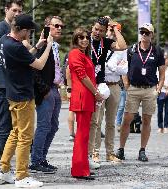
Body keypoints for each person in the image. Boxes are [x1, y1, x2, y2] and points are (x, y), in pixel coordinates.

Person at [0, 14, 52, 187]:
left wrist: (37, 46)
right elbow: (39, 64)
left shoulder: (6, 41)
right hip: (23, 96)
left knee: (16, 133)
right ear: (22, 30)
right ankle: (21, 176)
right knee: (25, 137)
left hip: (13, 94)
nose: (30, 34)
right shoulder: (17, 46)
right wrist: (48, 46)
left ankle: (3, 170)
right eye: (29, 31)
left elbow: (23, 58)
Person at [116, 23, 165, 162]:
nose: (144, 34)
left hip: (150, 89)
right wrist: (126, 84)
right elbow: (123, 66)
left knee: (147, 120)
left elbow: (162, 73)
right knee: (127, 120)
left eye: (147, 32)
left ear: (152, 35)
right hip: (133, 88)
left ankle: (142, 150)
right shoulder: (131, 49)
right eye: (142, 32)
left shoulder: (157, 51)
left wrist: (159, 88)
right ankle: (121, 149)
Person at [0, 0, 23, 172]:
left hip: (12, 83)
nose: (17, 14)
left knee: (7, 124)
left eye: (19, 11)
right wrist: (11, 37)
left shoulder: (16, 30)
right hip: (1, 83)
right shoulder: (0, 28)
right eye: (14, 10)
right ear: (6, 10)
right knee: (4, 124)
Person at [88, 16, 127, 167]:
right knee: (95, 121)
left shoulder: (107, 42)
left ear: (106, 32)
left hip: (110, 85)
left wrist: (115, 27)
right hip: (93, 85)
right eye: (96, 29)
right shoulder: (86, 40)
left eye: (101, 30)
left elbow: (123, 46)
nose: (97, 32)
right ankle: (94, 152)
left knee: (110, 122)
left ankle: (110, 153)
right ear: (92, 27)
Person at [30, 16, 64, 174]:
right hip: (46, 91)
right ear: (47, 27)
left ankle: (41, 158)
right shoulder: (43, 46)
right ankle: (36, 161)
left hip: (55, 89)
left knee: (54, 126)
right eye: (56, 26)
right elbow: (33, 70)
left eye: (61, 26)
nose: (59, 29)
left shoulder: (55, 46)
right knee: (44, 126)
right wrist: (44, 91)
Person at [68, 27, 103, 180]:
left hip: (87, 97)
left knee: (84, 135)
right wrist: (96, 93)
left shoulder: (83, 54)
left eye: (86, 37)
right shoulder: (75, 53)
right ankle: (79, 170)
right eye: (80, 37)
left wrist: (94, 94)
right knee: (81, 135)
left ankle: (83, 168)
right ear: (75, 39)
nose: (84, 40)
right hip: (82, 97)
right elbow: (82, 76)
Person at [157, 54, 168, 133]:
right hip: (161, 91)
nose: (167, 60)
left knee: (167, 110)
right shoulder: (158, 69)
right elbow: (158, 80)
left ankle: (166, 126)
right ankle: (160, 126)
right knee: (160, 110)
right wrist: (166, 87)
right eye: (165, 59)